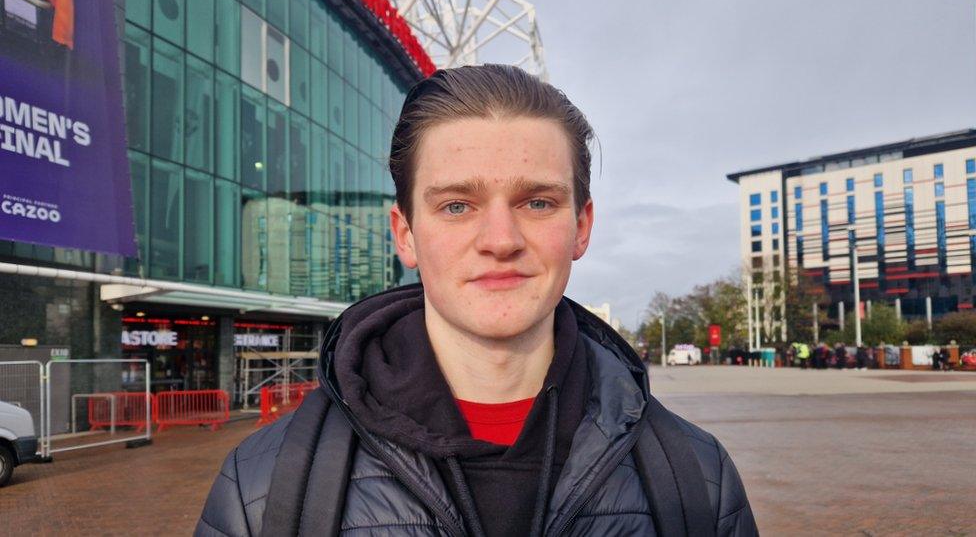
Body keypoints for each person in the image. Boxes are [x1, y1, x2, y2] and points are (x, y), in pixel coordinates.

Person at [195, 65, 756, 537]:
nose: (501, 240)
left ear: (582, 226)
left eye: (537, 202)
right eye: (457, 206)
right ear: (406, 233)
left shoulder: (697, 477)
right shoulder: (264, 488)